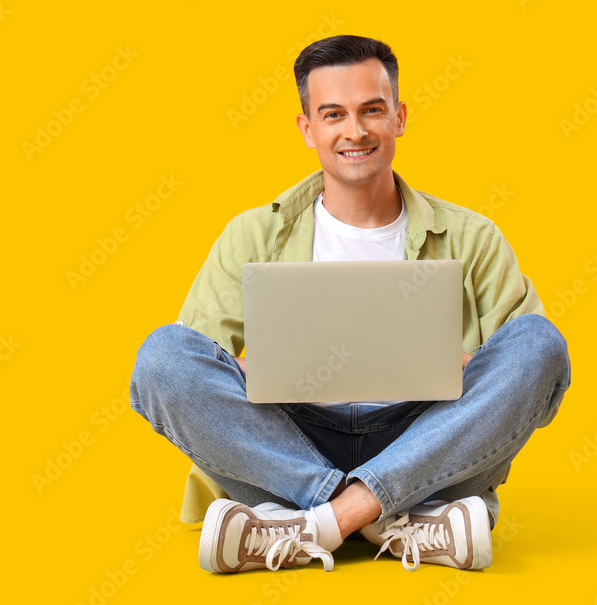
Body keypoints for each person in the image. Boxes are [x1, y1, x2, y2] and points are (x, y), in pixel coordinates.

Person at [129, 35, 571, 574]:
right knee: (162, 356)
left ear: (400, 118)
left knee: (539, 343)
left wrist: (451, 366)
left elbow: (533, 384)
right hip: (287, 443)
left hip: (426, 438)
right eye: (333, 114)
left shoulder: (472, 236)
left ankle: (317, 524)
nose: (354, 131)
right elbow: (198, 371)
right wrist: (269, 365)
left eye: (372, 111)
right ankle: (388, 516)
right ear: (307, 128)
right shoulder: (252, 235)